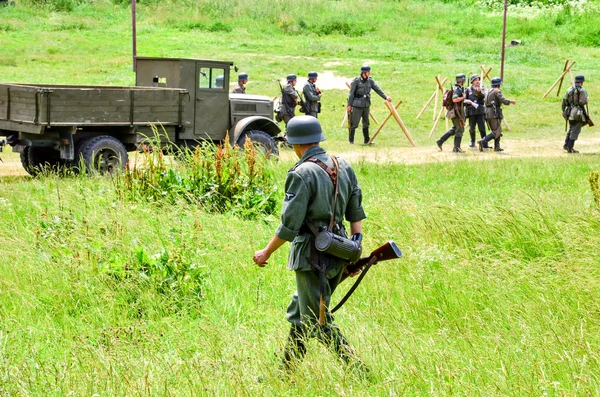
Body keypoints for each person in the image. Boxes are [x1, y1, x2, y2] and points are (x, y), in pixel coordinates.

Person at [253, 116, 367, 372]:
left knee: (316, 319)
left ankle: (358, 369)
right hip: (340, 250)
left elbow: (289, 226)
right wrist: (356, 245)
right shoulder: (343, 165)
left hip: (311, 258)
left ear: (295, 144)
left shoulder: (302, 173)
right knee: (301, 313)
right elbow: (355, 209)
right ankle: (286, 372)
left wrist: (265, 252)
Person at [347, 65, 392, 144]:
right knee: (354, 123)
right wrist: (349, 105)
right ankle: (351, 140)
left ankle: (367, 140)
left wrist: (385, 97)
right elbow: (351, 94)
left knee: (366, 123)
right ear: (364, 73)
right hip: (357, 105)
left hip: (366, 105)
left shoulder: (370, 81)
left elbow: (377, 89)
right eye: (368, 71)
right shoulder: (356, 81)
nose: (369, 73)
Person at [477, 77, 516, 152]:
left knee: (496, 129)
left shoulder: (488, 91)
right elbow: (503, 100)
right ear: (498, 85)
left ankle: (497, 147)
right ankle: (483, 141)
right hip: (494, 112)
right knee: (497, 130)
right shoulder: (497, 91)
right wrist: (511, 101)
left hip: (487, 112)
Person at [436, 74, 468, 153]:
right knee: (459, 129)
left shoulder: (456, 88)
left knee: (455, 129)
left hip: (456, 110)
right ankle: (456, 148)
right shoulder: (458, 89)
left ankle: (441, 141)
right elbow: (454, 99)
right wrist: (463, 98)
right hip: (457, 111)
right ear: (462, 81)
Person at [561, 75, 589, 153]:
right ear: (581, 82)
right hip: (578, 112)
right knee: (575, 130)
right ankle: (570, 148)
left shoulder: (569, 90)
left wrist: (563, 110)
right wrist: (587, 99)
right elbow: (582, 102)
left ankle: (566, 145)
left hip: (569, 112)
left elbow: (564, 101)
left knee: (571, 128)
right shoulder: (582, 91)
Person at [465, 74, 487, 148]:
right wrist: (467, 101)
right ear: (472, 81)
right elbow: (464, 99)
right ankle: (472, 141)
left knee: (482, 128)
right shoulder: (468, 89)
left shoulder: (482, 88)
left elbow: (483, 96)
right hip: (471, 111)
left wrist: (479, 92)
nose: (477, 81)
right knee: (472, 128)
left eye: (478, 80)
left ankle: (484, 142)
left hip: (480, 111)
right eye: (476, 80)